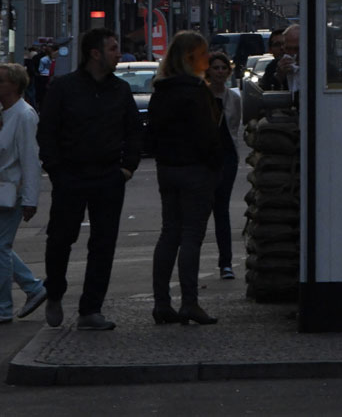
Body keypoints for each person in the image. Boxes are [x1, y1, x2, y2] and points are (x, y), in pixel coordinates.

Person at [37, 27, 141, 330]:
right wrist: (55, 170)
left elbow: (134, 131)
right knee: (60, 239)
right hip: (71, 174)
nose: (118, 54)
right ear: (95, 54)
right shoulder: (63, 88)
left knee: (103, 243)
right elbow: (47, 131)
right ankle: (54, 292)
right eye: (112, 49)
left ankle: (90, 309)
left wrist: (127, 167)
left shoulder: (120, 90)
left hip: (108, 175)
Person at [148, 31, 222, 325]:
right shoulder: (196, 90)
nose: (207, 59)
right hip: (196, 169)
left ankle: (161, 303)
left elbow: (151, 133)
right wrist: (215, 166)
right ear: (192, 57)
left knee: (169, 233)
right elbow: (208, 135)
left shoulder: (161, 90)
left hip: (168, 169)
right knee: (192, 235)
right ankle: (189, 302)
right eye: (204, 54)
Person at [0, 63, 46, 324]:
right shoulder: (6, 113)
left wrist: (30, 199)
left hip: (11, 193)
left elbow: (30, 159)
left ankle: (4, 307)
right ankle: (33, 287)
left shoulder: (24, 116)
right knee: (1, 248)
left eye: (1, 82)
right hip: (4, 189)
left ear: (14, 86)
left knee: (1, 248)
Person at [206, 50, 242, 281]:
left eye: (223, 68)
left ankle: (226, 263)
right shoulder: (202, 97)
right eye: (215, 68)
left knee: (222, 210)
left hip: (227, 158)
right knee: (199, 212)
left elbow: (235, 125)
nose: (219, 72)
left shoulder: (234, 98)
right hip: (206, 159)